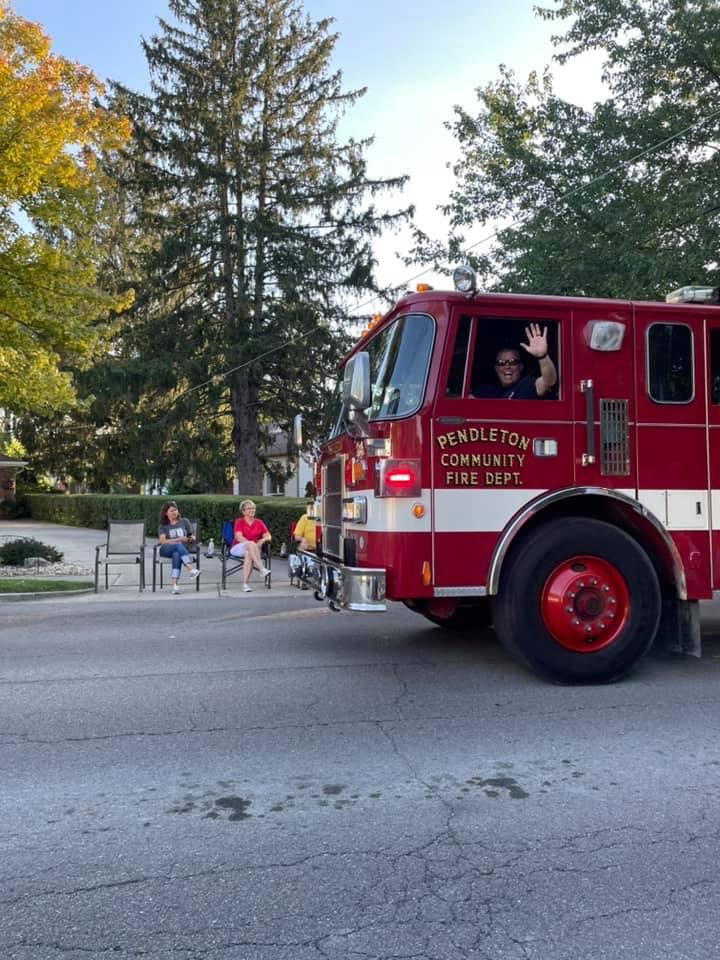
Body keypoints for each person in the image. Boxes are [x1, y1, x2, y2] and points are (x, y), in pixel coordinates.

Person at [475, 323, 558, 399]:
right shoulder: (485, 391)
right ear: (496, 368)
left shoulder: (528, 385)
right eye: (501, 363)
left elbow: (549, 381)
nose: (507, 366)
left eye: (513, 362)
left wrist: (542, 356)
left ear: (521, 367)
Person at [157, 501, 200, 595]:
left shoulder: (184, 521)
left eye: (175, 510)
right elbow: (162, 541)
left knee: (176, 554)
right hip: (166, 550)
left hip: (180, 551)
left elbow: (192, 537)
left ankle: (174, 586)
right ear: (166, 513)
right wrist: (179, 539)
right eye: (172, 511)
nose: (174, 512)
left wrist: (189, 538)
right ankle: (190, 569)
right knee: (178, 544)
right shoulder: (163, 526)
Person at [230, 499, 272, 593]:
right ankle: (261, 568)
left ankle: (245, 584)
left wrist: (263, 540)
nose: (252, 510)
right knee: (250, 545)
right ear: (243, 511)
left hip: (253, 550)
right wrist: (251, 544)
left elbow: (268, 536)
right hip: (238, 547)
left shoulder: (259, 522)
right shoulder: (239, 521)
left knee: (249, 553)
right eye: (249, 508)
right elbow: (238, 537)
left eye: (253, 508)